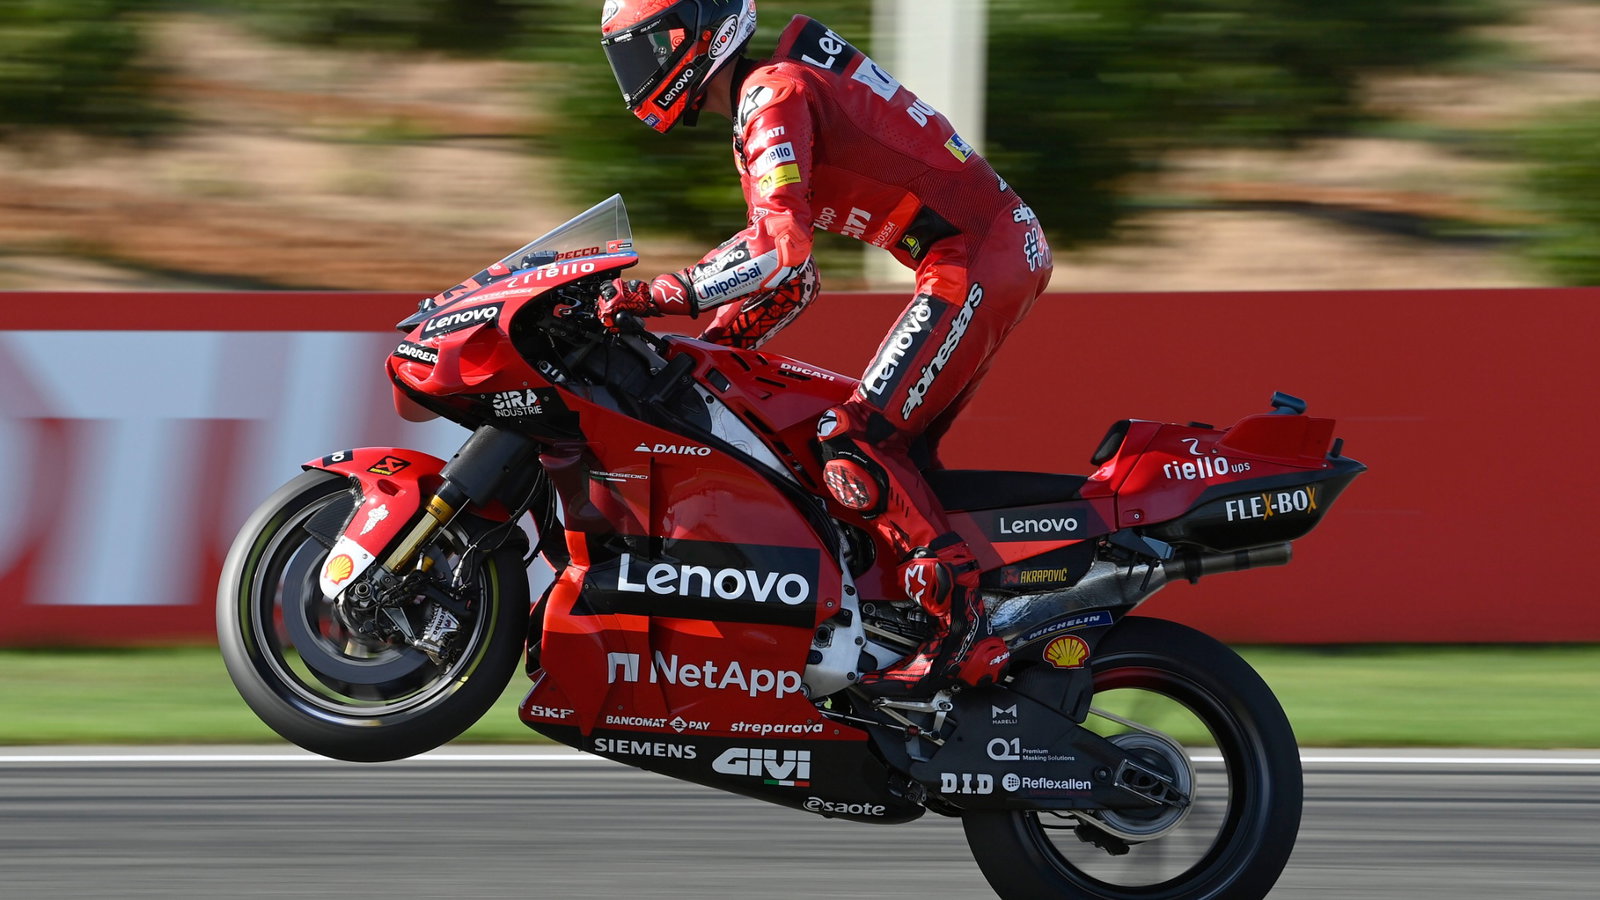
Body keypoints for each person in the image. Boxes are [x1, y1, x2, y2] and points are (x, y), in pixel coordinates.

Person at [596, 0, 1053, 696]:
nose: (640, 69)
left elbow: (781, 251)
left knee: (856, 440)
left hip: (976, 256)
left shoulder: (770, 93)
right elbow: (796, 282)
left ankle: (964, 631)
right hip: (973, 253)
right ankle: (935, 612)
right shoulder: (764, 97)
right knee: (882, 461)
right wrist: (710, 354)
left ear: (700, 29)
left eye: (650, 44)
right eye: (629, 53)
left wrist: (659, 296)